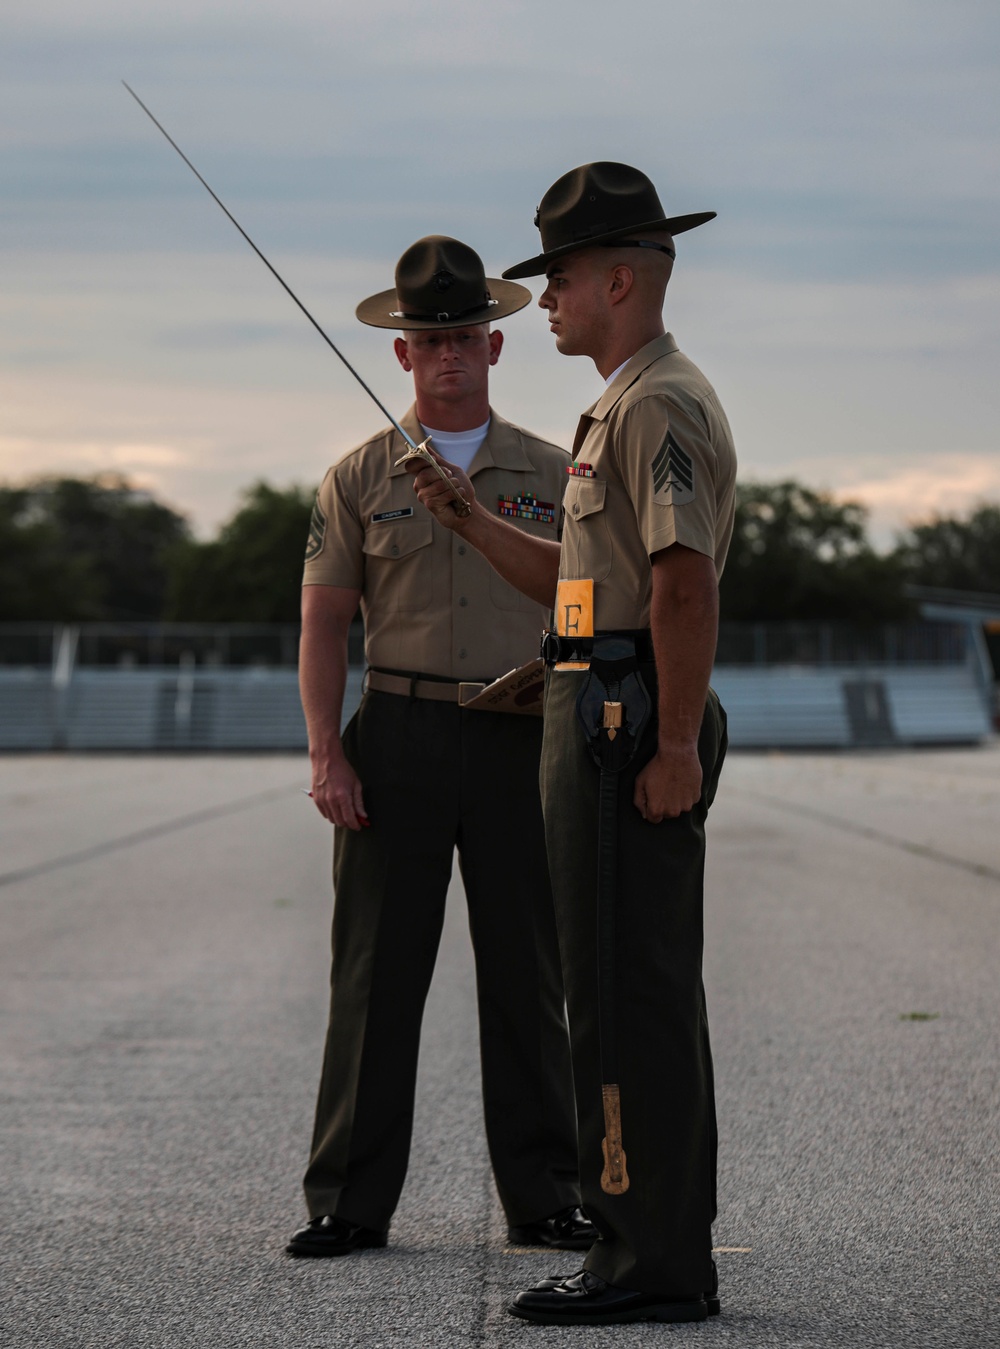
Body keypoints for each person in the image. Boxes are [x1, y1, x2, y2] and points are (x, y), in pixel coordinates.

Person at [406, 166, 737, 1325]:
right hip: (594, 688)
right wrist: (463, 514)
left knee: (621, 991)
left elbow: (683, 586)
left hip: (628, 713)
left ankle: (644, 1258)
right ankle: (642, 1242)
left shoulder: (655, 404)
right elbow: (579, 584)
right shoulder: (619, 403)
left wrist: (677, 742)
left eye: (554, 280)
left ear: (617, 279)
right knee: (608, 986)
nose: (538, 300)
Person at [286, 235, 594, 1260]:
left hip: (520, 729)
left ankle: (548, 1194)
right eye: (430, 339)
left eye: (466, 335)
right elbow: (324, 623)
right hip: (399, 736)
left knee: (526, 970)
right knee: (375, 975)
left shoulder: (556, 473)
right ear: (401, 356)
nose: (449, 354)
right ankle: (348, 1199)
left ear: (497, 347)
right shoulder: (358, 476)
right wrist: (329, 754)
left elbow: (588, 603)